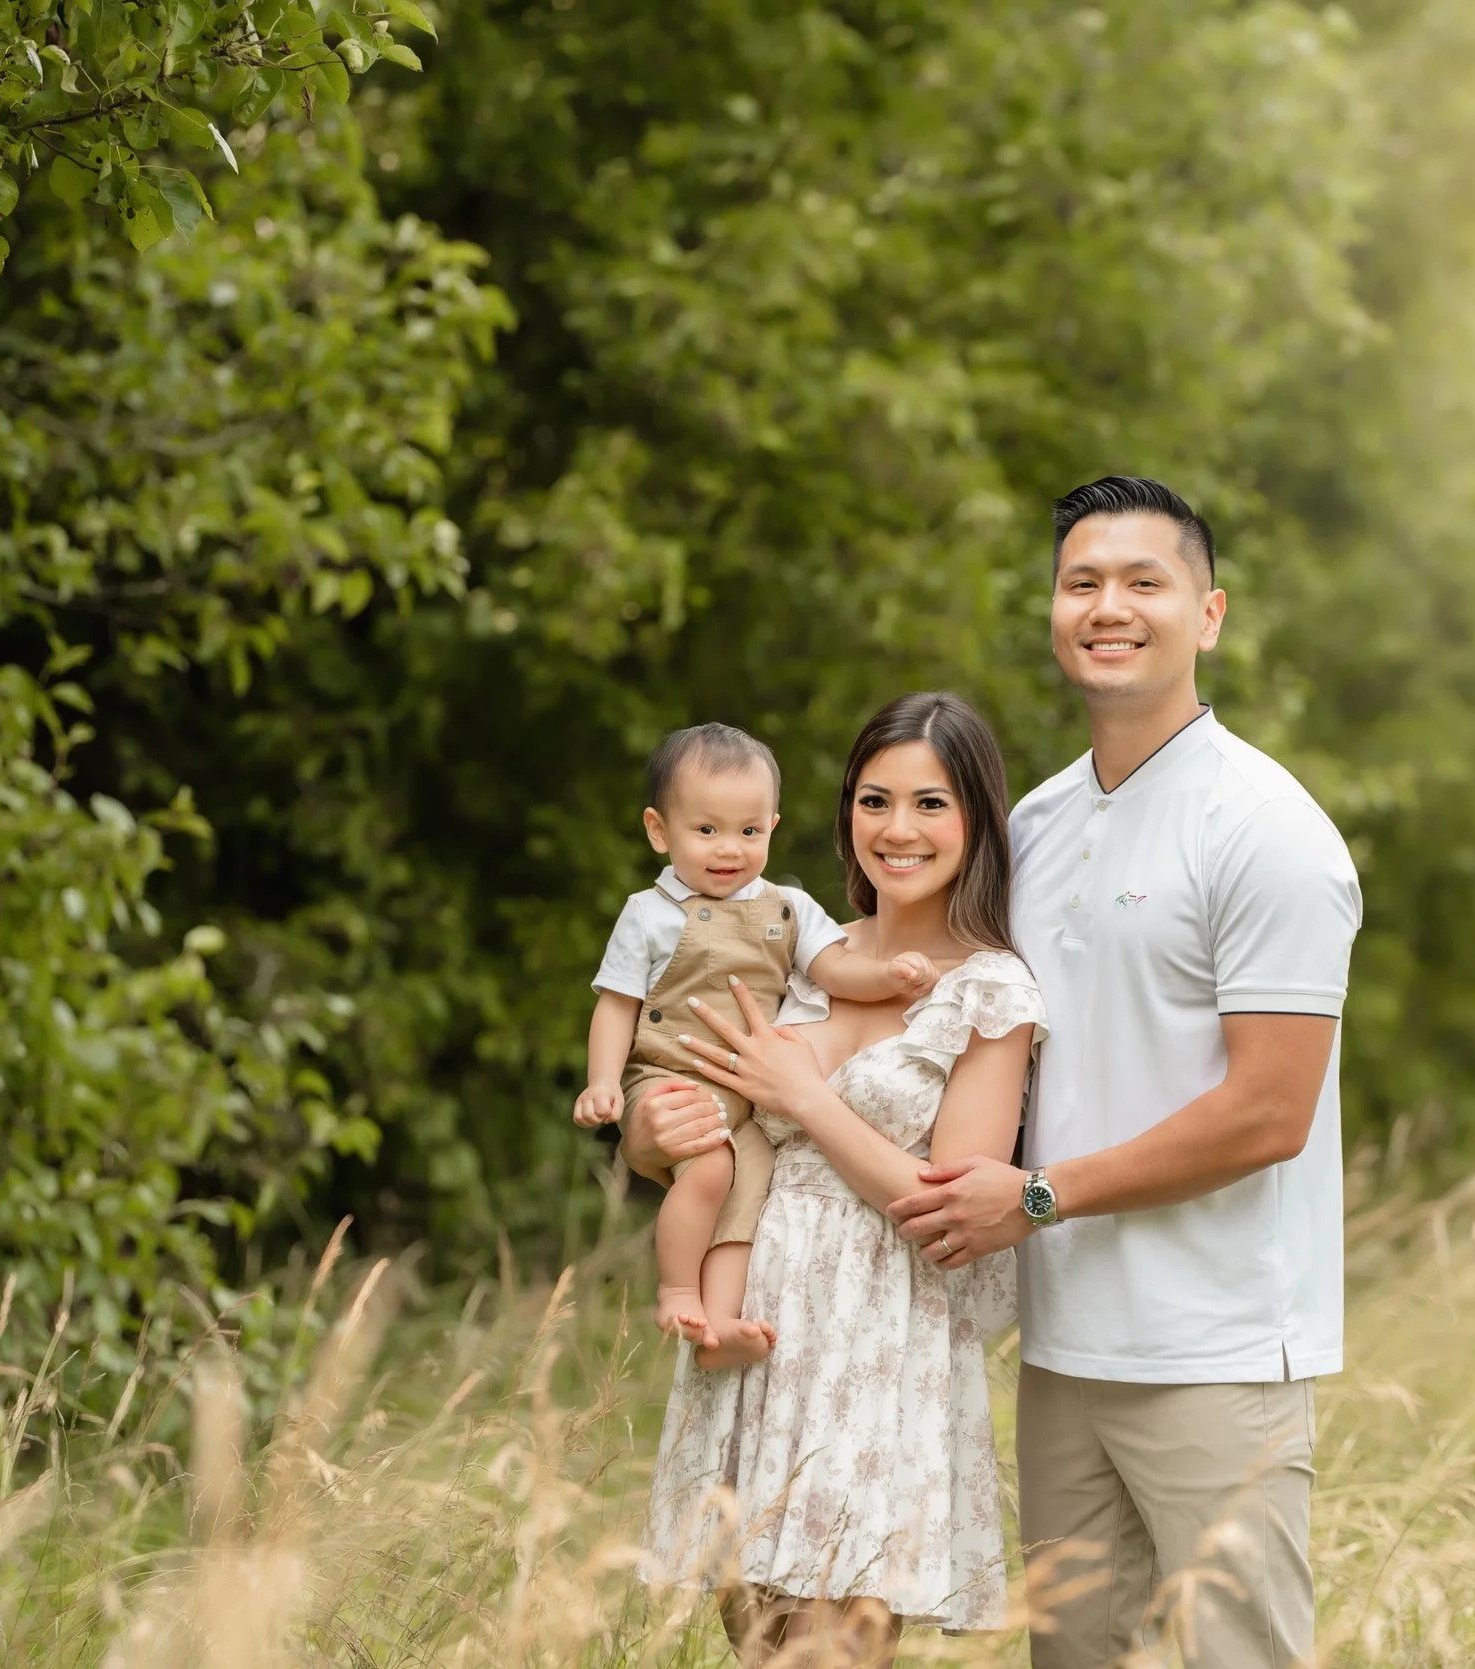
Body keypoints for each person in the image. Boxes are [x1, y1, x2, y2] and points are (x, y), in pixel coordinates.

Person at [886, 476, 1362, 1669]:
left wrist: (1039, 1196)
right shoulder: (1030, 828)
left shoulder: (1266, 828)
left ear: (1208, 613)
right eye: (1081, 582)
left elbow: (1269, 1111)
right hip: (1062, 1345)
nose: (1108, 606)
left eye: (1143, 581)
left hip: (1216, 1350)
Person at [623, 692, 1044, 1665]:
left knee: (829, 1651)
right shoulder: (796, 951)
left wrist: (808, 1099)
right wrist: (649, 1130)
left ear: (976, 818)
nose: (897, 829)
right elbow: (704, 1113)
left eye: (931, 803)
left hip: (877, 1338)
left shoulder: (990, 989)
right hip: (758, 1326)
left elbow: (949, 1210)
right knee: (759, 1643)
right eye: (874, 800)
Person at [576, 721, 937, 1361]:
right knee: (712, 1170)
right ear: (659, 830)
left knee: (752, 1190)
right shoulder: (649, 913)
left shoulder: (789, 908)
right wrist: (604, 1082)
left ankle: (718, 1323)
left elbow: (834, 969)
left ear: (772, 826)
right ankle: (675, 1290)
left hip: (748, 1093)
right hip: (671, 1075)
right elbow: (617, 1004)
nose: (729, 849)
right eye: (706, 830)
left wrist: (886, 977)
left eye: (748, 832)